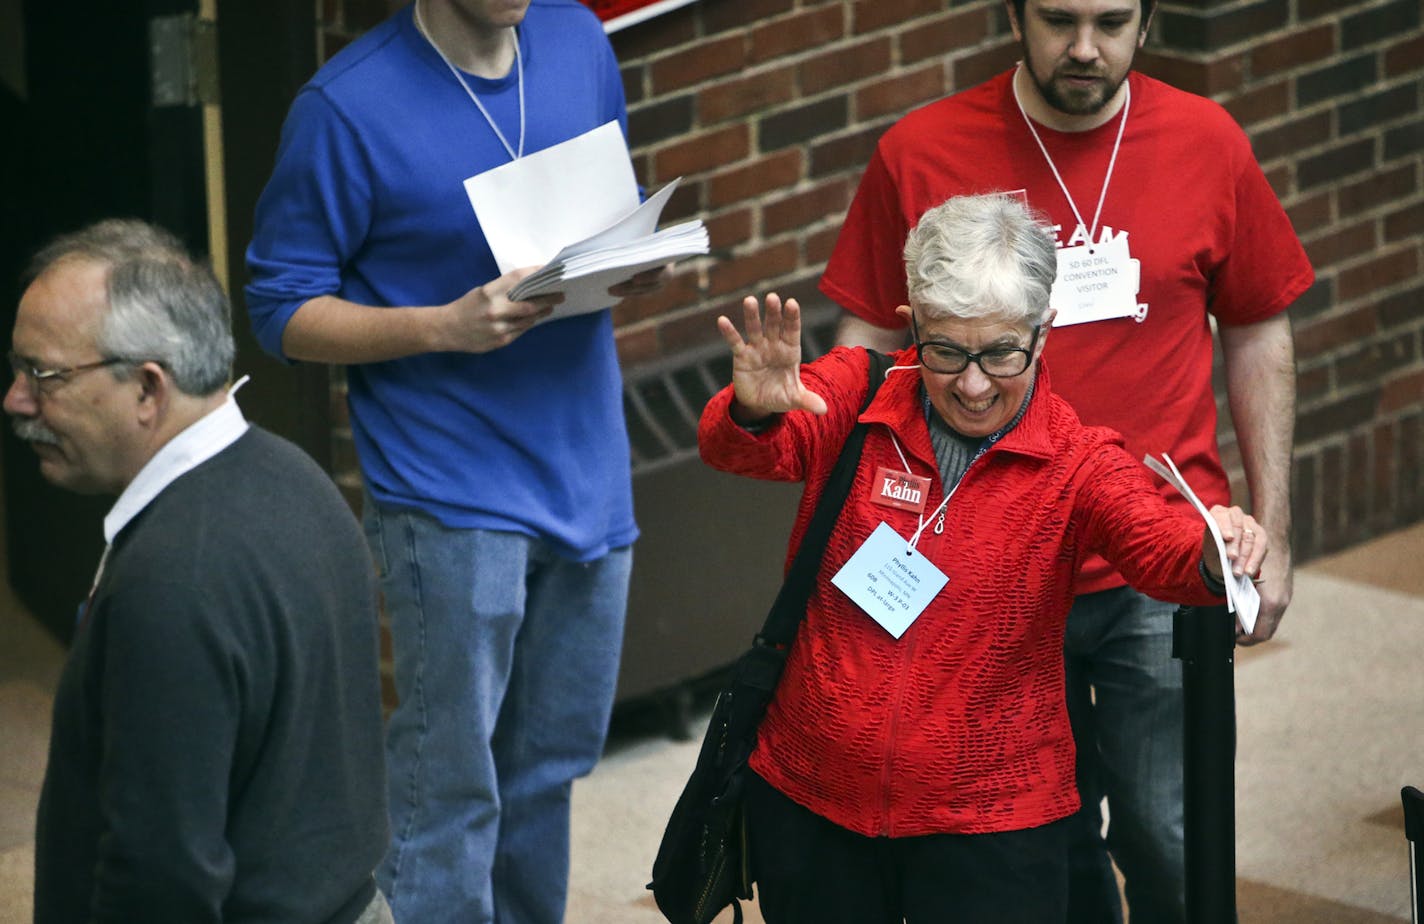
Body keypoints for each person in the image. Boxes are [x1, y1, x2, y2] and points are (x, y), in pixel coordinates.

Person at [819, 0, 1312, 917]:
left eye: (1112, 20)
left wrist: (1272, 530)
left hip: (1157, 562)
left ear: (1149, 19)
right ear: (1012, 15)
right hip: (980, 567)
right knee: (1036, 846)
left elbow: (1256, 328)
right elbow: (866, 345)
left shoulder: (1209, 141)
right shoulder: (919, 151)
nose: (1085, 47)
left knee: (1173, 837)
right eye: (1057, 18)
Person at [699, 193, 1267, 923]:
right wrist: (753, 409)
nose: (973, 385)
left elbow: (1155, 546)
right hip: (814, 797)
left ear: (1044, 331)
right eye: (947, 352)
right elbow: (747, 451)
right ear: (913, 329)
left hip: (992, 824)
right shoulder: (855, 395)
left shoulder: (1075, 459)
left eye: (1002, 352)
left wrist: (1214, 553)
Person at [243, 2, 662, 921]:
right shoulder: (345, 107)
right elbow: (280, 308)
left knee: (548, 771)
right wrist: (442, 326)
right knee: (450, 791)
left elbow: (606, 222)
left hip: (585, 465)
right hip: (447, 489)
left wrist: (632, 262)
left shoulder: (579, 42)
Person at [6, 219, 390, 924]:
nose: (16, 400)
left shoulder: (170, 582)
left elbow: (160, 881)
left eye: (43, 374)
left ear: (148, 388)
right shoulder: (294, 475)